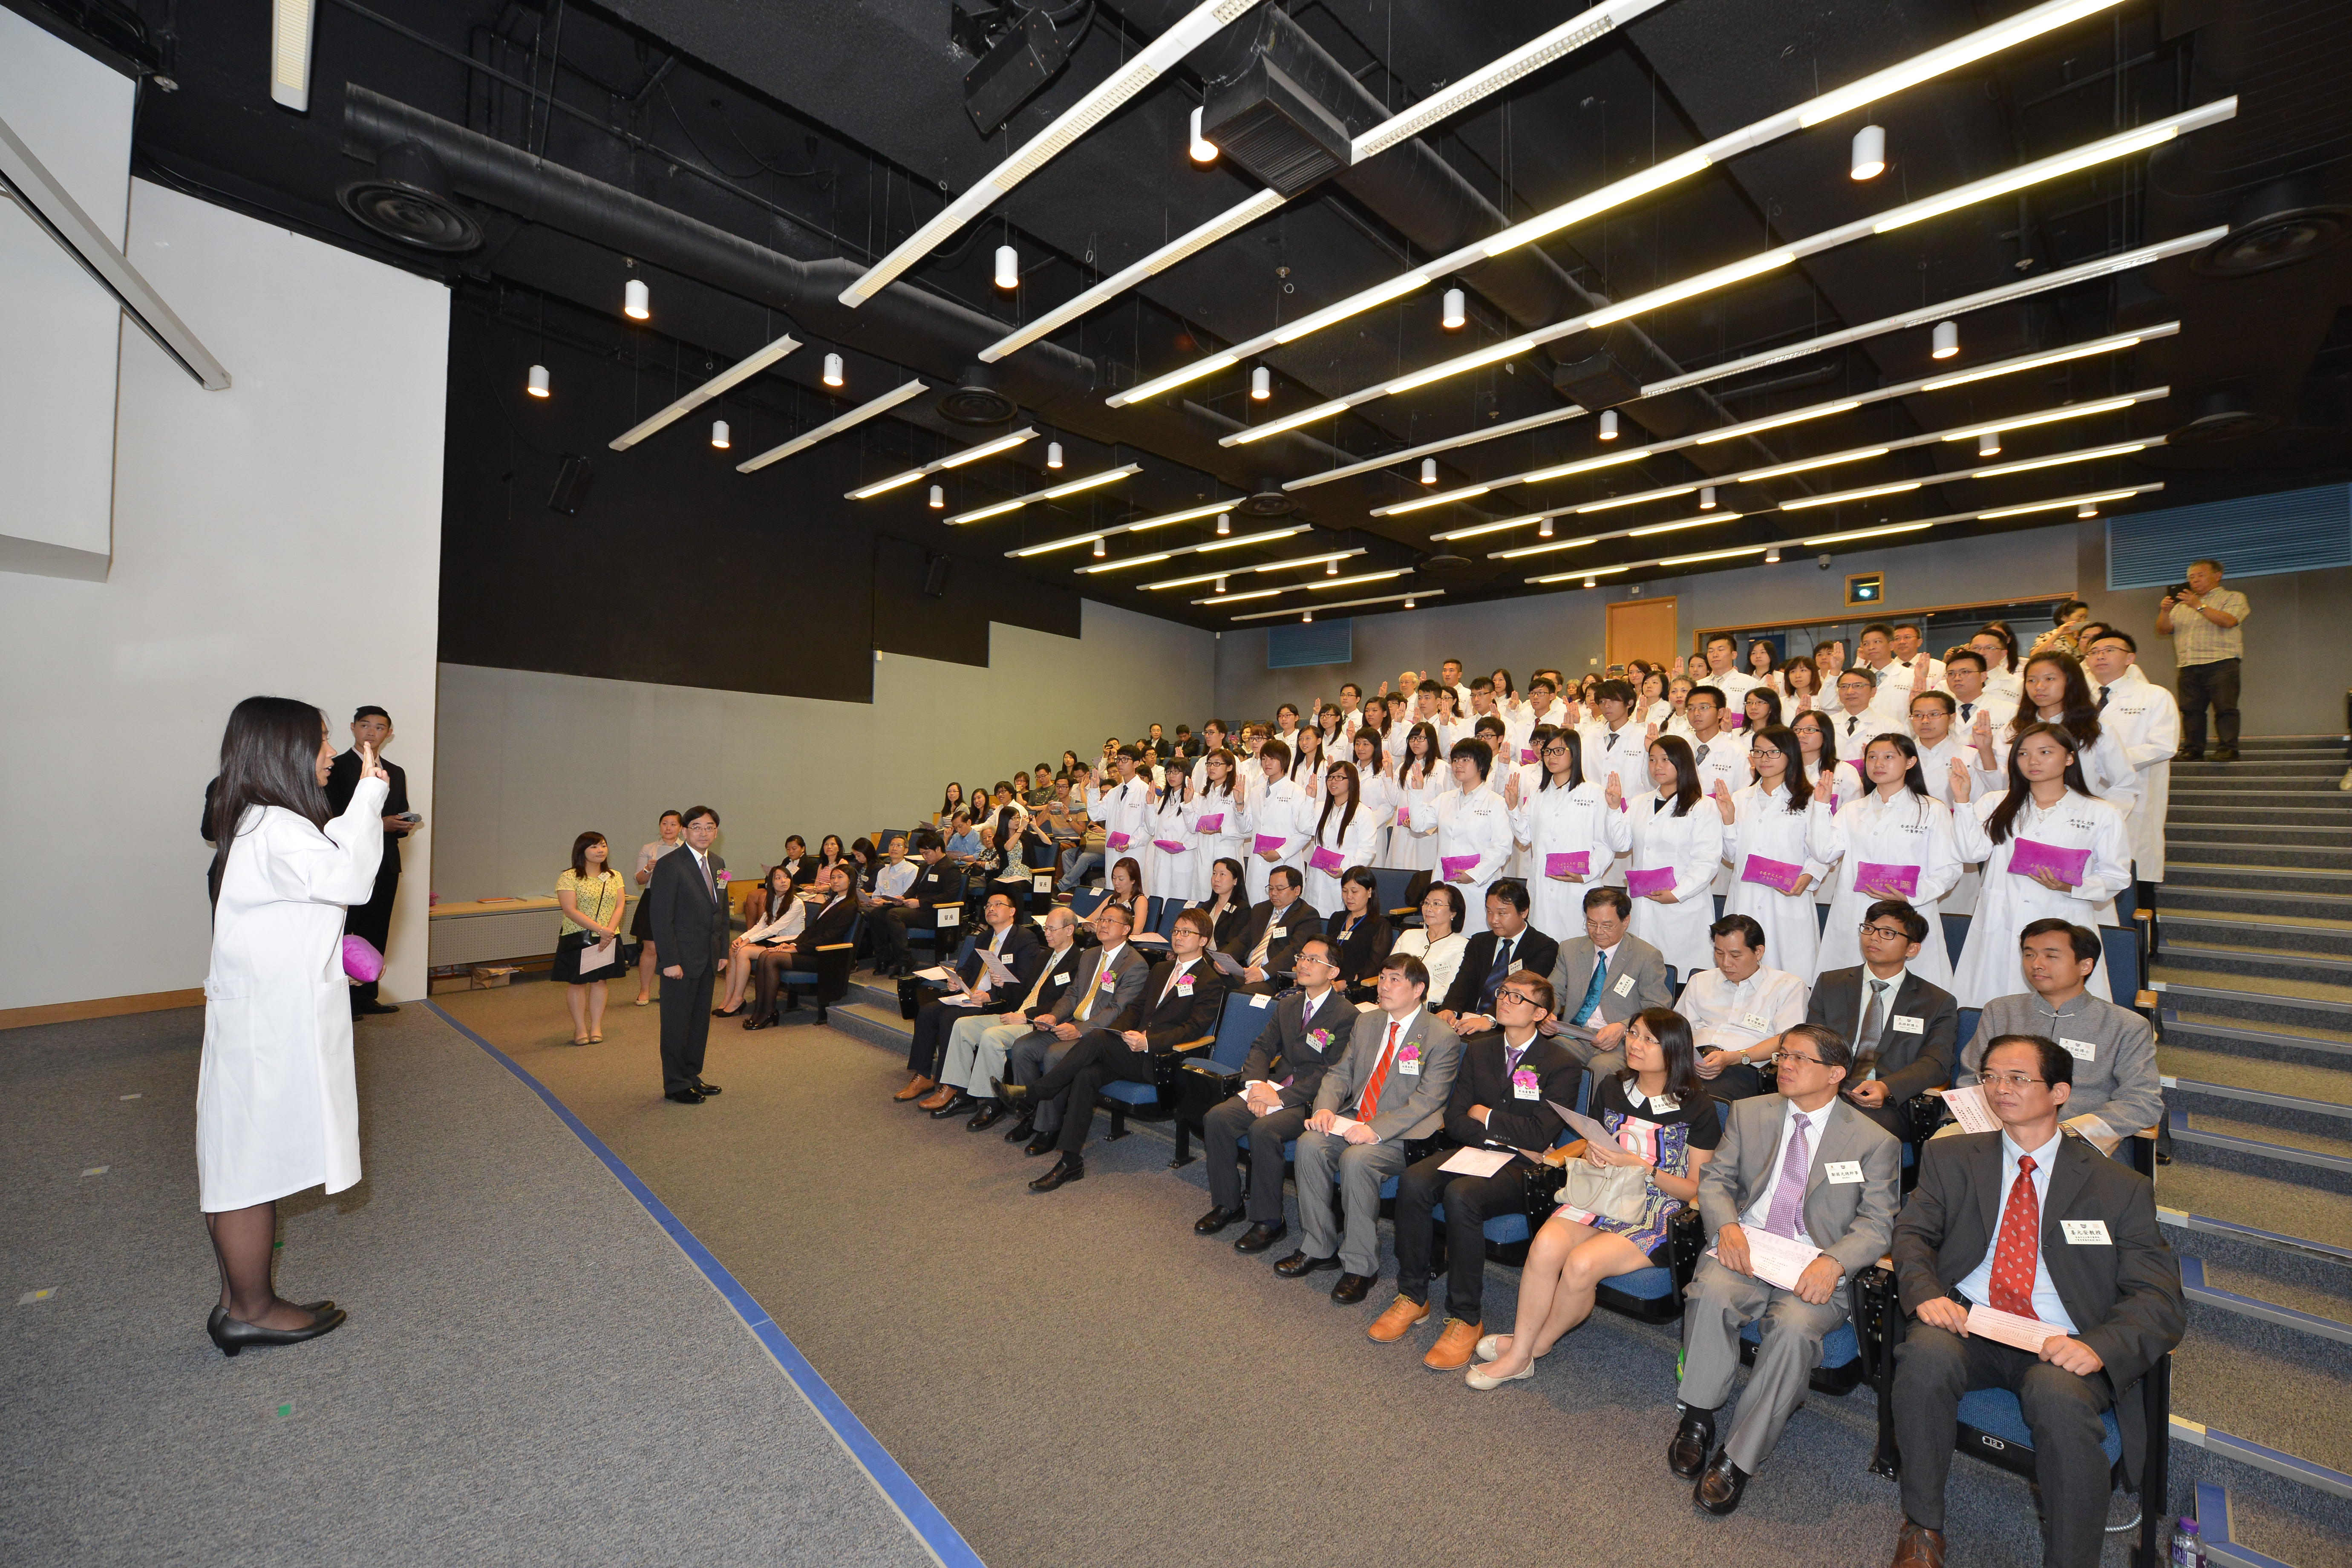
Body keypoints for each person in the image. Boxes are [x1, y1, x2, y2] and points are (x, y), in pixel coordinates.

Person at [1886, 1034, 2185, 1568]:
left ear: (2060, 1092)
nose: (2000, 1088)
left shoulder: (2119, 1187)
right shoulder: (1951, 1154)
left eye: (2018, 1078)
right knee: (1925, 1356)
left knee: (2059, 1400)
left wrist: (2099, 1346)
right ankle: (1924, 1526)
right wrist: (1927, 1292)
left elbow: (2159, 1297)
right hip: (1971, 1320)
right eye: (1991, 1076)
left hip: (2062, 1339)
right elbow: (1912, 1233)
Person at [196, 695, 382, 1354]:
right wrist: (369, 797)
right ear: (282, 749)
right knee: (250, 1168)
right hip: (270, 1028)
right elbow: (350, 879)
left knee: (238, 1160)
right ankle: (251, 1306)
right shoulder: (275, 824)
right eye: (321, 740)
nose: (329, 753)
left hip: (257, 1019)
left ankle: (237, 1300)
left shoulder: (256, 819)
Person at [1672, 1022, 1901, 1514]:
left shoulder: (1873, 1140)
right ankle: (1698, 1415)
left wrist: (1836, 1260)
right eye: (1782, 1055)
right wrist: (1726, 1226)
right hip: (1748, 1244)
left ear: (1836, 1073)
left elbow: (1878, 1223)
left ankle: (1738, 1456)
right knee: (1710, 1292)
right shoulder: (1750, 1112)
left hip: (1815, 1263)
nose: (1785, 1065)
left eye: (1800, 1058)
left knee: (1793, 1330)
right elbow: (1715, 1180)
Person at [1469, 1008, 1721, 1386]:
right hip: (1605, 1191)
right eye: (1633, 1033)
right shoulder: (1613, 1087)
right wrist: (1593, 1153)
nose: (1635, 1044)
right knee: (1546, 1244)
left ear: (1674, 1051)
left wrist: (1644, 1168)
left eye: (1649, 1040)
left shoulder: (1697, 1106)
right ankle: (1522, 1349)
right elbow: (1595, 1141)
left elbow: (1698, 1189)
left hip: (1658, 1207)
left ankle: (1532, 1348)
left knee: (1582, 1265)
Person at [1368, 970, 1581, 1369]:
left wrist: (1486, 1116)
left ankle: (1467, 1317)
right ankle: (1413, 1295)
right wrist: (1499, 1131)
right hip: (1476, 1149)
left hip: (1522, 1167)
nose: (1504, 1001)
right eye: (1504, 993)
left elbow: (1541, 1134)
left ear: (1541, 1013)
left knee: (1461, 1197)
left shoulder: (1561, 1065)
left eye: (1518, 998)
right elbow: (1455, 1118)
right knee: (1414, 1181)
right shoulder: (1480, 1050)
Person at [1277, 954, 1463, 1304]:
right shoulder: (1369, 1022)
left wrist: (1375, 1130)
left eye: (1395, 980)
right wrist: (1326, 1109)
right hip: (1354, 1117)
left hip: (1403, 1134)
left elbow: (1428, 1101)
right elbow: (1341, 1073)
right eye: (1382, 977)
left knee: (1357, 1160)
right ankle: (1318, 1246)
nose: (1384, 986)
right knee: (1310, 1144)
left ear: (1419, 989)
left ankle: (1360, 1266)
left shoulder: (1440, 1036)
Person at [997, 908, 1226, 1191]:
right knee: (1087, 1075)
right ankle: (1070, 1162)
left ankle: (1035, 1092)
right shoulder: (1162, 969)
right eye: (1176, 931)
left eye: (1186, 933)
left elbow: (1192, 1029)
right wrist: (1119, 1030)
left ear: (1203, 940)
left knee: (1096, 1039)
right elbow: (1136, 1009)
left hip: (1162, 1060)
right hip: (1131, 1050)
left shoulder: (1210, 981)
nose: (1178, 937)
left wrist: (1148, 1041)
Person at [1947, 723, 2132, 1010]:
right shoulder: (1997, 803)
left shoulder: (2100, 812)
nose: (2033, 761)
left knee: (2060, 1011)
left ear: (2069, 758)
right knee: (1992, 1006)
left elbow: (2116, 877)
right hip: (2002, 920)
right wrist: (1962, 800)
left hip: (2064, 914)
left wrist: (2071, 885)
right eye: (2023, 754)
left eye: (2045, 752)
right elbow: (1971, 853)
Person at [1196, 937, 1362, 1250]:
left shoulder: (1347, 1016)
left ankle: (1269, 1221)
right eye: (1302, 957)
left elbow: (1331, 1073)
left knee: (1264, 1130)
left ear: (1333, 972)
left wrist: (1281, 1099)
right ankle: (1228, 1204)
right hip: (1272, 1087)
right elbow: (1262, 1046)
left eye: (1314, 960)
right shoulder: (1288, 1004)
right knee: (1217, 1117)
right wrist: (1256, 1085)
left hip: (1311, 1101)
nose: (1303, 964)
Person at [1955, 919, 2161, 1156]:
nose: (2037, 964)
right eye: (2029, 955)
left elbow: (2143, 1099)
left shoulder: (2125, 1025)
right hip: (1998, 1131)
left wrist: (2075, 1131)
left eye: (2051, 956)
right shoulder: (2001, 1011)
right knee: (1944, 1151)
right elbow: (1971, 1078)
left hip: (2079, 1140)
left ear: (2085, 966)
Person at [999, 902, 1153, 1154]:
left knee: (1054, 1054)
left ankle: (1049, 1128)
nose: (1103, 925)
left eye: (1110, 921)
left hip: (1095, 1035)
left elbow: (1117, 1009)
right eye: (1102, 920)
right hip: (1069, 1024)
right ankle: (1031, 1114)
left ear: (1126, 929)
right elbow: (1072, 994)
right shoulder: (1090, 955)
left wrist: (1082, 1030)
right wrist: (1053, 1015)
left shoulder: (1135, 964)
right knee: (1023, 1047)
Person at [1809, 735, 1963, 986]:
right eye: (1872, 757)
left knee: (1912, 994)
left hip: (1910, 909)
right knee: (1846, 988)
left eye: (1889, 757)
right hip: (1856, 911)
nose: (1878, 764)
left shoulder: (1932, 810)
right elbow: (1823, 853)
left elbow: (1949, 869)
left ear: (1911, 762)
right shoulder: (1852, 810)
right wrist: (1821, 806)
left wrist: (1912, 896)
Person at [1803, 900, 1960, 1138]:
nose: (1873, 938)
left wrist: (1887, 1088)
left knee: (1843, 1130)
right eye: (1869, 929)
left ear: (1912, 949)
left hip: (1889, 1104)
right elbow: (1811, 1043)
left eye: (1888, 933)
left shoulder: (1936, 1002)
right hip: (1825, 1090)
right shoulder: (1831, 985)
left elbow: (1936, 1064)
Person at [937, 906, 1083, 1132]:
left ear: (1070, 930)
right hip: (1019, 1013)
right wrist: (1004, 985)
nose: (1047, 933)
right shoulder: (1045, 955)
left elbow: (1067, 1002)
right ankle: (963, 1092)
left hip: (1037, 1021)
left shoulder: (1079, 961)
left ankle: (992, 1103)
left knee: (991, 1037)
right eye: (1046, 928)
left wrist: (1026, 1016)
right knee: (962, 1026)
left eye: (1052, 929)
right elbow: (1024, 990)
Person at [905, 891, 1043, 1112]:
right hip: (971, 995)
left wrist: (992, 996)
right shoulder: (985, 937)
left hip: (1000, 1001)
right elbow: (968, 967)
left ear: (1013, 912)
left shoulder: (1024, 939)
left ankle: (949, 1085)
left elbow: (1025, 982)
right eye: (988, 905)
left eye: (998, 905)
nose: (991, 908)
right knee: (929, 1011)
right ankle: (924, 1075)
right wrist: (959, 980)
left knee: (950, 1018)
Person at [1969, 650, 2139, 824]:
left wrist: (2096, 820)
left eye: (2050, 679)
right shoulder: (2013, 729)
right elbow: (2002, 786)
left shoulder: (2095, 729)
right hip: (2024, 820)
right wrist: (1985, 751)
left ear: (2071, 682)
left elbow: (2124, 784)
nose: (2039, 687)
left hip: (2077, 822)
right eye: (2032, 680)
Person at [323, 706, 416, 1019]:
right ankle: (343, 1002)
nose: (371, 732)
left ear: (388, 734)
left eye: (379, 728)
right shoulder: (333, 768)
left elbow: (398, 813)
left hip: (386, 862)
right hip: (347, 863)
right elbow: (331, 818)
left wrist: (401, 825)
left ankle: (367, 998)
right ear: (353, 728)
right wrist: (380, 824)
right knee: (347, 932)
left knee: (378, 929)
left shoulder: (396, 771)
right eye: (365, 725)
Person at [1715, 726, 1827, 979]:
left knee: (1788, 972)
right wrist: (1730, 820)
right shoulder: (1740, 798)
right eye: (1759, 752)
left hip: (1788, 897)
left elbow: (1822, 850)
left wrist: (1809, 877)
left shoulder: (1810, 798)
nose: (1764, 758)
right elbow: (1732, 856)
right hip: (1746, 896)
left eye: (1774, 752)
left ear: (1790, 755)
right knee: (1741, 968)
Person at [2083, 630, 2181, 889]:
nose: (2100, 657)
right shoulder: (2079, 699)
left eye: (2110, 650)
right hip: (2085, 794)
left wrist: (2107, 762)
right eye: (2093, 652)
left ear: (2130, 658)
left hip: (2137, 794)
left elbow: (2164, 746)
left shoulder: (2155, 696)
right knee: (2087, 874)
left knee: (2133, 876)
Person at [1625, 736, 1724, 980]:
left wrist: (1678, 894)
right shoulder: (1640, 803)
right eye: (1652, 760)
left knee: (1678, 976)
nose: (1658, 766)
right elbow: (1621, 844)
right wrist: (1612, 808)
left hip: (1683, 905)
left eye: (1666, 760)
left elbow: (1707, 861)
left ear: (1683, 763)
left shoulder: (1702, 806)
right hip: (1642, 902)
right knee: (1639, 973)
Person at [1542, 885, 1673, 1072]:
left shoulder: (1646, 956)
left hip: (1622, 1042)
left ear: (1626, 921)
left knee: (1601, 1067)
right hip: (1575, 1036)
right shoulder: (1570, 949)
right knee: (1547, 1054)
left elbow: (1658, 1006)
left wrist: (1623, 1027)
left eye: (1607, 925)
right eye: (1591, 924)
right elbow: (1553, 991)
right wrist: (1547, 1013)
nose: (1598, 931)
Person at [1680, 914, 1809, 1101]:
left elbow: (1787, 1040)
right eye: (1719, 953)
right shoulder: (1701, 981)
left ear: (1758, 952)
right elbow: (1679, 1028)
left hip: (1743, 1068)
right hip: (1692, 1063)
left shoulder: (1788, 986)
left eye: (1735, 955)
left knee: (1699, 1099)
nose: (1725, 963)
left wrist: (1734, 1058)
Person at [648, 806, 729, 1104]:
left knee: (698, 1022)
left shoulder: (720, 864)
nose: (703, 833)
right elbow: (661, 916)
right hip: (680, 959)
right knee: (675, 1023)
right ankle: (675, 1084)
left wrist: (722, 952)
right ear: (685, 832)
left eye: (709, 828)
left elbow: (721, 909)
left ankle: (692, 1074)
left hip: (708, 957)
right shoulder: (670, 865)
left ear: (716, 832)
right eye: (697, 827)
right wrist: (669, 961)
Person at [1509, 726, 1611, 940]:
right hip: (1543, 886)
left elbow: (1605, 843)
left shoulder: (1595, 793)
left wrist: (1586, 874)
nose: (1551, 757)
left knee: (1577, 944)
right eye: (1547, 751)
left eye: (1559, 751)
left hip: (1578, 884)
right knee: (1544, 945)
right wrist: (1512, 808)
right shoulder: (1538, 793)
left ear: (1575, 753)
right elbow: (1525, 837)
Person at [1434, 881, 1562, 1038]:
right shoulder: (1479, 942)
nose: (1494, 920)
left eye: (1502, 913)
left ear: (1524, 912)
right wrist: (1449, 1009)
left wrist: (1489, 1019)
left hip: (1509, 1027)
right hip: (1468, 1018)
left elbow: (1522, 992)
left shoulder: (1544, 947)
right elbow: (1463, 980)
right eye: (1489, 912)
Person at [746, 861, 859, 1027]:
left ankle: (769, 1011)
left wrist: (797, 949)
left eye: (840, 877)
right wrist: (791, 944)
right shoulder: (831, 902)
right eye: (833, 877)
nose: (835, 881)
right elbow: (810, 931)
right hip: (812, 951)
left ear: (851, 881)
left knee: (771, 959)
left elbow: (829, 937)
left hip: (825, 956)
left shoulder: (850, 906)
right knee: (765, 955)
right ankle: (760, 1010)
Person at [2157, 557, 2248, 762]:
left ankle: (2228, 748)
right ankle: (2193, 749)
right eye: (2191, 577)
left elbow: (2229, 621)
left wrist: (2199, 605)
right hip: (2188, 665)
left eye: (2200, 575)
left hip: (2222, 662)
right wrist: (2165, 611)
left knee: (2225, 708)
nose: (2195, 580)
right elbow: (2163, 629)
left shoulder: (2233, 597)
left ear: (2218, 576)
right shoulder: (2181, 606)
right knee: (2191, 711)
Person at [1431, 738, 1516, 931]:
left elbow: (1502, 848)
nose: (1458, 765)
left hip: (1479, 885)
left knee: (1475, 938)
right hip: (1446, 883)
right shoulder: (1445, 799)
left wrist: (1475, 874)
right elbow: (1419, 825)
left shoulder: (1496, 802)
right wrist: (1417, 790)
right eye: (1455, 760)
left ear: (1482, 765)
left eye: (1466, 760)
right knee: (1445, 935)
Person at [553, 831, 630, 1045]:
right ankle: (580, 1029)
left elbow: (620, 905)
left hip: (608, 936)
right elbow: (570, 910)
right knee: (577, 983)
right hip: (579, 936)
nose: (600, 851)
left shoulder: (615, 876)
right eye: (594, 847)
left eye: (603, 846)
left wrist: (610, 931)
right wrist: (600, 930)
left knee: (600, 981)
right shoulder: (569, 876)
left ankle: (596, 1026)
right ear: (582, 851)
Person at [716, 865, 804, 1018]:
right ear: (770, 884)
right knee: (734, 950)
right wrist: (741, 938)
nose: (784, 881)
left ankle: (738, 999)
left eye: (786, 877)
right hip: (773, 942)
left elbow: (776, 928)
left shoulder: (796, 903)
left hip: (788, 945)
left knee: (743, 952)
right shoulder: (773, 900)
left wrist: (748, 941)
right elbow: (761, 925)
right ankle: (728, 998)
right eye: (778, 878)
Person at [1236, 738, 1311, 903]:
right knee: (1257, 908)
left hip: (1286, 860)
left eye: (1272, 759)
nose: (1267, 763)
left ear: (1283, 762)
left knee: (1284, 911)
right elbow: (1246, 829)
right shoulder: (1256, 792)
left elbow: (1305, 833)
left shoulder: (1296, 792)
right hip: (1259, 863)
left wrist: (1280, 853)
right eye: (1264, 759)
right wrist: (1240, 804)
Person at [1302, 760, 1381, 912]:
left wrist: (1345, 870)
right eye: (1330, 777)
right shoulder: (1320, 808)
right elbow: (1304, 828)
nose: (1333, 781)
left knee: (1336, 922)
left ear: (1351, 781)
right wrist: (1309, 799)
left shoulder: (1363, 812)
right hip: (1317, 879)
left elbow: (1367, 850)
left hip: (1342, 881)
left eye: (1339, 777)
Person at [1227, 865, 1321, 988]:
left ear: (1297, 890)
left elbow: (1294, 951)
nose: (1273, 894)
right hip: (1247, 970)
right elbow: (1244, 940)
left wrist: (1264, 973)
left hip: (1274, 977)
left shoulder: (1307, 915)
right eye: (1271, 889)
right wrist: (1226, 960)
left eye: (1280, 889)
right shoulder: (1260, 909)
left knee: (1244, 995)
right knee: (1212, 982)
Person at [1391, 882, 1472, 1005]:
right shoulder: (1409, 935)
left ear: (1453, 913)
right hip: (1394, 1002)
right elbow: (1389, 971)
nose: (1429, 908)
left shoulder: (1463, 946)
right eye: (1427, 903)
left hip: (1428, 1008)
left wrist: (1414, 1002)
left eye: (1437, 904)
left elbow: (1449, 989)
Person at [1384, 721, 1445, 871]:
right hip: (1402, 830)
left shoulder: (1441, 767)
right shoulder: (1404, 767)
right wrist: (1388, 773)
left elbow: (1442, 801)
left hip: (1426, 833)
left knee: (1421, 873)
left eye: (1420, 738)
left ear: (1431, 741)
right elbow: (1393, 800)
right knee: (1400, 872)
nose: (1415, 743)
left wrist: (1420, 820)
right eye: (1412, 739)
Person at [1324, 866, 1395, 994]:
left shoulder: (1380, 925)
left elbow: (1374, 967)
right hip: (1326, 981)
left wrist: (1345, 983)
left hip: (1354, 989)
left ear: (1369, 892)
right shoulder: (1337, 918)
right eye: (1345, 891)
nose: (1349, 897)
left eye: (1355, 892)